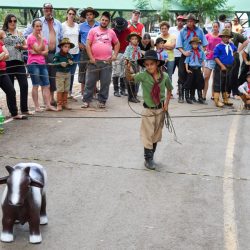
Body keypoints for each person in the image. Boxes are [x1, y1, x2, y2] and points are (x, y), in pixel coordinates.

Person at [125, 50, 173, 170]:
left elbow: (169, 90)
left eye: (151, 64)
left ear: (157, 63)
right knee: (148, 134)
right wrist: (128, 69)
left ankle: (152, 156)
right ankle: (148, 159)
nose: (149, 66)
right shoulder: (143, 75)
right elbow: (130, 78)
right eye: (146, 65)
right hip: (148, 110)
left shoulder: (165, 76)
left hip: (160, 110)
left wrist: (166, 104)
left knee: (156, 134)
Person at [23, 3, 63, 106]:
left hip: (55, 53)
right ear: (43, 10)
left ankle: (51, 98)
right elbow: (25, 34)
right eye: (46, 9)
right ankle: (45, 101)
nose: (48, 11)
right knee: (41, 78)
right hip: (39, 55)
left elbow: (61, 37)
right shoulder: (38, 21)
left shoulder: (58, 23)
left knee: (52, 77)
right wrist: (32, 45)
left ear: (52, 10)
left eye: (50, 9)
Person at [82, 11, 119, 109]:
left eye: (106, 20)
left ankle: (102, 101)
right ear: (100, 20)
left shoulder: (111, 32)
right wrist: (91, 58)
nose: (104, 22)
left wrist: (115, 55)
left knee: (105, 83)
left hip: (106, 62)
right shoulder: (93, 31)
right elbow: (87, 45)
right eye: (102, 20)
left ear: (109, 22)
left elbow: (117, 44)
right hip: (93, 61)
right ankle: (86, 101)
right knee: (89, 82)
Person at [2, 14, 31, 115]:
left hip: (19, 62)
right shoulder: (2, 32)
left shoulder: (19, 32)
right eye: (10, 21)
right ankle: (13, 112)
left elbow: (26, 45)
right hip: (8, 63)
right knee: (11, 88)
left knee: (24, 85)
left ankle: (24, 109)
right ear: (7, 22)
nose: (13, 23)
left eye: (14, 21)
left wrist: (21, 47)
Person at [176, 14, 208, 103]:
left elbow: (204, 44)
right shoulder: (182, 31)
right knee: (182, 75)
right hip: (185, 55)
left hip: (196, 56)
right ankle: (181, 96)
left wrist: (200, 52)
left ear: (194, 22)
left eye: (192, 21)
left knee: (194, 76)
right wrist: (184, 53)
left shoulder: (199, 31)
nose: (190, 23)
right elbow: (178, 45)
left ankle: (192, 96)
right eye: (188, 21)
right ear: (186, 22)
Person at [26, 19, 57, 112]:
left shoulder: (43, 39)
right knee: (36, 85)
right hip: (33, 63)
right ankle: (37, 106)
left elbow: (46, 52)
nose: (39, 28)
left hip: (42, 63)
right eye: (37, 26)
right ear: (33, 27)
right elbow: (40, 48)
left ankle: (48, 105)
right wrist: (41, 44)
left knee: (46, 85)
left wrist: (37, 51)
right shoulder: (30, 37)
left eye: (40, 26)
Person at [0, 38, 27, 119]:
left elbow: (7, 54)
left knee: (11, 91)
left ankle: (14, 113)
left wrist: (2, 56)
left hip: (2, 72)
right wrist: (2, 55)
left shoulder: (0, 42)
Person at [213, 29, 237, 107]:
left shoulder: (231, 45)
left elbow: (235, 50)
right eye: (224, 37)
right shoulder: (218, 46)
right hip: (220, 67)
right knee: (218, 83)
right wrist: (222, 65)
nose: (226, 38)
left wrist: (231, 58)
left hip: (229, 67)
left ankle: (225, 98)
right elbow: (215, 57)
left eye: (227, 37)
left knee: (226, 83)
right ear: (221, 37)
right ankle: (216, 100)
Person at [79, 7, 99, 96]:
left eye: (90, 14)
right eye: (87, 15)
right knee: (83, 70)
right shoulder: (81, 26)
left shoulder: (99, 25)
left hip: (95, 51)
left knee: (94, 71)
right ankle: (83, 92)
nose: (89, 16)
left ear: (94, 15)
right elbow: (76, 37)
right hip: (84, 51)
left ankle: (93, 92)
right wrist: (79, 43)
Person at [224, 21, 247, 99]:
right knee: (226, 76)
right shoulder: (222, 36)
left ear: (231, 27)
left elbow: (246, 41)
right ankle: (227, 92)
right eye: (225, 27)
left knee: (234, 75)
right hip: (225, 60)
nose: (227, 28)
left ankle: (235, 93)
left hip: (235, 59)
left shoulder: (236, 35)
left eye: (228, 27)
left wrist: (238, 50)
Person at [62, 7, 80, 99]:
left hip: (76, 53)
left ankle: (69, 92)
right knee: (65, 73)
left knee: (72, 74)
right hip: (66, 53)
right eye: (70, 13)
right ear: (67, 14)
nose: (71, 15)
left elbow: (79, 38)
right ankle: (63, 92)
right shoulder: (63, 25)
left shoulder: (77, 25)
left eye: (73, 14)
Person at [53, 38, 74, 111]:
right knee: (60, 89)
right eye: (65, 46)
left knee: (66, 89)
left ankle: (65, 103)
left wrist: (71, 63)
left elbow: (72, 63)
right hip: (60, 74)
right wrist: (60, 63)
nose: (67, 48)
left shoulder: (69, 55)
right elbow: (54, 63)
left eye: (68, 47)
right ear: (61, 47)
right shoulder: (57, 55)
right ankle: (59, 104)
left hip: (68, 73)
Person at [111, 17, 130, 97]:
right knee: (116, 71)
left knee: (123, 72)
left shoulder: (128, 31)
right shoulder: (112, 31)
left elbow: (130, 41)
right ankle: (116, 90)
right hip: (115, 53)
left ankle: (122, 89)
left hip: (125, 53)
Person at [203, 21, 221, 100]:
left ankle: (213, 95)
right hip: (209, 58)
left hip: (217, 59)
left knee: (215, 78)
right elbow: (202, 46)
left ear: (218, 27)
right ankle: (203, 95)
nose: (215, 28)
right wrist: (204, 51)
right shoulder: (207, 36)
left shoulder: (221, 37)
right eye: (214, 26)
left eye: (216, 26)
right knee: (206, 77)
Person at [184, 37, 205, 104]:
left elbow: (202, 61)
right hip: (191, 69)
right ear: (191, 44)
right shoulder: (189, 52)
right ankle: (188, 97)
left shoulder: (201, 52)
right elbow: (186, 62)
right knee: (189, 83)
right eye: (193, 44)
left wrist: (203, 69)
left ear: (198, 44)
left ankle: (200, 98)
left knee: (199, 83)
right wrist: (187, 69)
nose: (195, 45)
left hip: (198, 69)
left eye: (196, 44)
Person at [124, 32, 142, 103]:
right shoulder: (128, 48)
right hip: (130, 64)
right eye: (132, 39)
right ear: (130, 40)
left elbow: (139, 56)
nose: (134, 40)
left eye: (136, 39)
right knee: (130, 81)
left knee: (136, 81)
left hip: (137, 64)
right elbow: (126, 56)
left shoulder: (138, 48)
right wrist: (129, 66)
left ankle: (134, 96)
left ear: (138, 40)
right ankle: (130, 97)